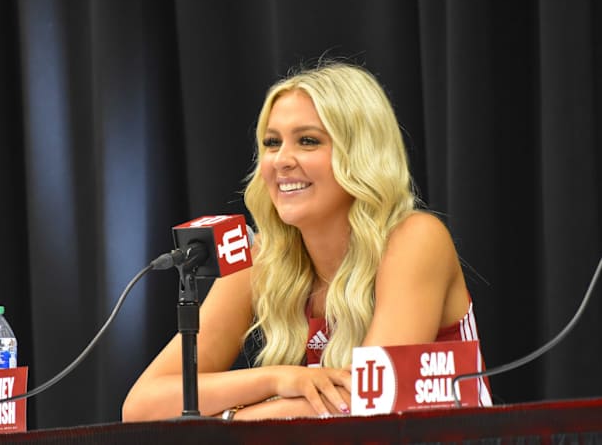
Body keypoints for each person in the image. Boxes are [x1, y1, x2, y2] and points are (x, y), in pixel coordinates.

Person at [121, 61, 491, 421]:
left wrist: (233, 418)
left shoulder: (415, 238)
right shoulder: (264, 255)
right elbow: (142, 406)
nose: (281, 160)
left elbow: (368, 402)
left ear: (360, 155)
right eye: (271, 143)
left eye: (308, 141)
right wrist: (280, 378)